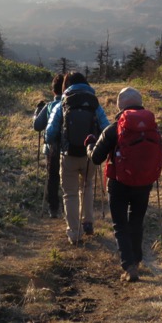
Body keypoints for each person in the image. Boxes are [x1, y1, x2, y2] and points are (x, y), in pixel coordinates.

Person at [85, 87, 162, 282]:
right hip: (144, 182)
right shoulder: (151, 128)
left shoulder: (114, 129)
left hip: (118, 182)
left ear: (120, 106)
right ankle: (137, 260)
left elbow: (96, 158)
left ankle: (129, 266)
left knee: (120, 224)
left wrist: (89, 144)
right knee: (136, 221)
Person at [45, 72, 110, 245]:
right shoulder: (94, 103)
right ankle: (88, 222)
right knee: (87, 186)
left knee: (70, 193)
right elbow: (106, 128)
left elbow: (50, 133)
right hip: (89, 154)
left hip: (68, 155)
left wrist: (56, 142)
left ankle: (74, 233)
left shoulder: (63, 103)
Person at [33, 73, 64, 218]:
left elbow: (37, 126)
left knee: (52, 176)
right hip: (69, 148)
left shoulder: (50, 106)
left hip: (51, 148)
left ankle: (53, 207)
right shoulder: (72, 104)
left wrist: (36, 113)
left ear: (53, 91)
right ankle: (70, 206)